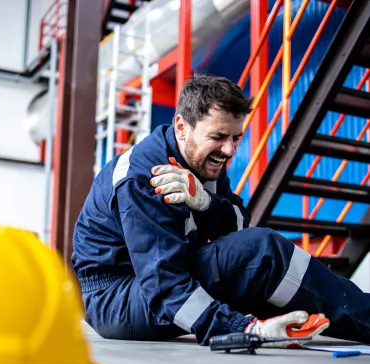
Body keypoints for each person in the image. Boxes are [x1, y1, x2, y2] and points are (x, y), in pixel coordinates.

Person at [71, 73, 370, 346]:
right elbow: (163, 284)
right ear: (181, 127)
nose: (230, 150)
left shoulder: (203, 162)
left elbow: (239, 223)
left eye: (236, 137)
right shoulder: (145, 177)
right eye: (218, 137)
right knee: (261, 253)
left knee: (259, 266)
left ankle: (362, 320)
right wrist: (242, 328)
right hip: (116, 298)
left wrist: (205, 203)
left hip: (158, 280)